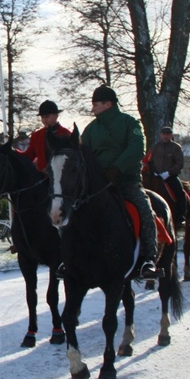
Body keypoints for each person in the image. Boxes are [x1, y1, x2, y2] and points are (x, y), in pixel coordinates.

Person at [80, 85, 160, 279]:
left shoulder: (130, 123)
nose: (93, 109)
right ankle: (73, 257)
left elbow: (137, 148)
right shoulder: (90, 130)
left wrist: (117, 168)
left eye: (96, 104)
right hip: (98, 185)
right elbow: (84, 155)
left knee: (144, 209)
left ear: (108, 104)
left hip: (125, 180)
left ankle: (149, 257)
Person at [144, 125, 187, 225]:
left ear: (171, 135)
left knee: (181, 193)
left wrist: (168, 173)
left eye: (168, 134)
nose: (165, 136)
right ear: (160, 135)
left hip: (170, 177)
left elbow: (179, 164)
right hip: (156, 176)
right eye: (164, 134)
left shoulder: (176, 148)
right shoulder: (155, 147)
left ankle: (182, 216)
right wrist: (153, 171)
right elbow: (149, 161)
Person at [22, 100, 72, 172]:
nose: (44, 120)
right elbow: (28, 156)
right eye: (42, 117)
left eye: (47, 117)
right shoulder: (36, 136)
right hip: (42, 177)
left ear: (56, 116)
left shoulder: (66, 134)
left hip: (62, 177)